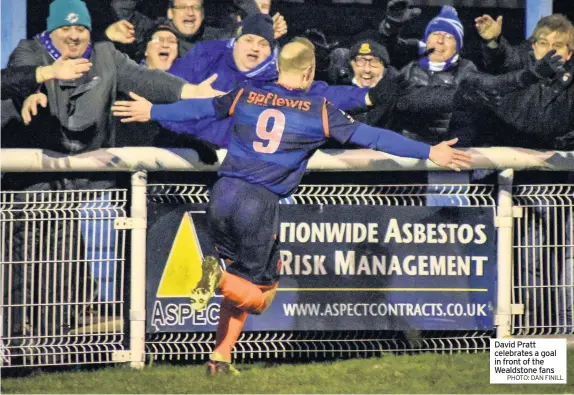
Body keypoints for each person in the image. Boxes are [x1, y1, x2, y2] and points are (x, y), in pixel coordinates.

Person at [112, 37, 472, 375]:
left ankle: (219, 356)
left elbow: (200, 107)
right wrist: (430, 151)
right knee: (261, 296)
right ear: (310, 72)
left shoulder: (247, 93)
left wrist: (152, 109)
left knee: (241, 279)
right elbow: (375, 137)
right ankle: (215, 278)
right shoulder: (319, 110)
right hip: (259, 203)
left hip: (221, 194)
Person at [161, 13, 391, 148]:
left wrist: (368, 95)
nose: (255, 48)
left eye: (263, 44)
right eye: (249, 40)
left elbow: (325, 94)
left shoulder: (276, 78)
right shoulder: (204, 59)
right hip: (187, 163)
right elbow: (165, 96)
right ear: (236, 42)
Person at [106, 0, 287, 62]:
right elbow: (121, 8)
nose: (190, 13)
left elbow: (252, 35)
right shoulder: (151, 31)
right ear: (170, 12)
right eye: (183, 7)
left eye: (196, 7)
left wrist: (265, 31)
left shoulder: (217, 37)